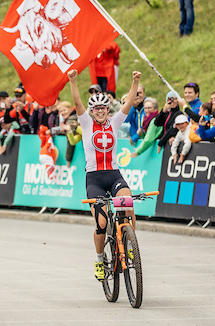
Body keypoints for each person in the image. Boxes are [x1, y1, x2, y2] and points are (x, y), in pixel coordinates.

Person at [67, 68, 142, 281]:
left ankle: (129, 245)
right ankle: (100, 259)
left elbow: (127, 104)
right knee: (101, 223)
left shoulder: (114, 122)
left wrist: (135, 81)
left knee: (127, 204)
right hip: (95, 179)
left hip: (114, 174)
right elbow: (78, 102)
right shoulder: (86, 122)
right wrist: (73, 82)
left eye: (103, 108)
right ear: (92, 111)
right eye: (96, 108)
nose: (100, 111)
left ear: (108, 109)